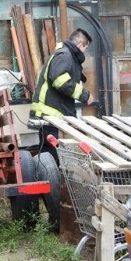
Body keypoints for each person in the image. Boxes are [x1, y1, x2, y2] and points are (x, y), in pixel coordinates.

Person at [28, 28, 96, 162]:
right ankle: (51, 180)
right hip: (50, 115)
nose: (85, 52)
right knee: (51, 155)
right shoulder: (65, 55)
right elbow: (60, 81)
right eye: (85, 48)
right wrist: (84, 95)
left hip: (51, 114)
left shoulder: (63, 54)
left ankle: (48, 178)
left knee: (49, 153)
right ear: (81, 44)